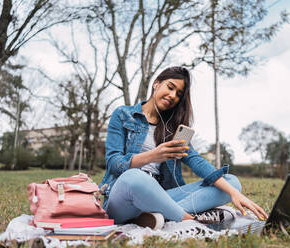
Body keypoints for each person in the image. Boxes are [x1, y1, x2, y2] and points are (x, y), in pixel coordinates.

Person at [99, 66, 268, 229]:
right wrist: (153, 156)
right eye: (170, 87)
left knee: (231, 182)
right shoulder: (123, 114)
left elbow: (195, 160)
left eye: (179, 94)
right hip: (124, 197)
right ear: (156, 83)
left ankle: (154, 217)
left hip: (161, 196)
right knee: (134, 177)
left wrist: (234, 193)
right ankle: (191, 220)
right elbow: (114, 163)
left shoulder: (172, 127)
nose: (173, 95)